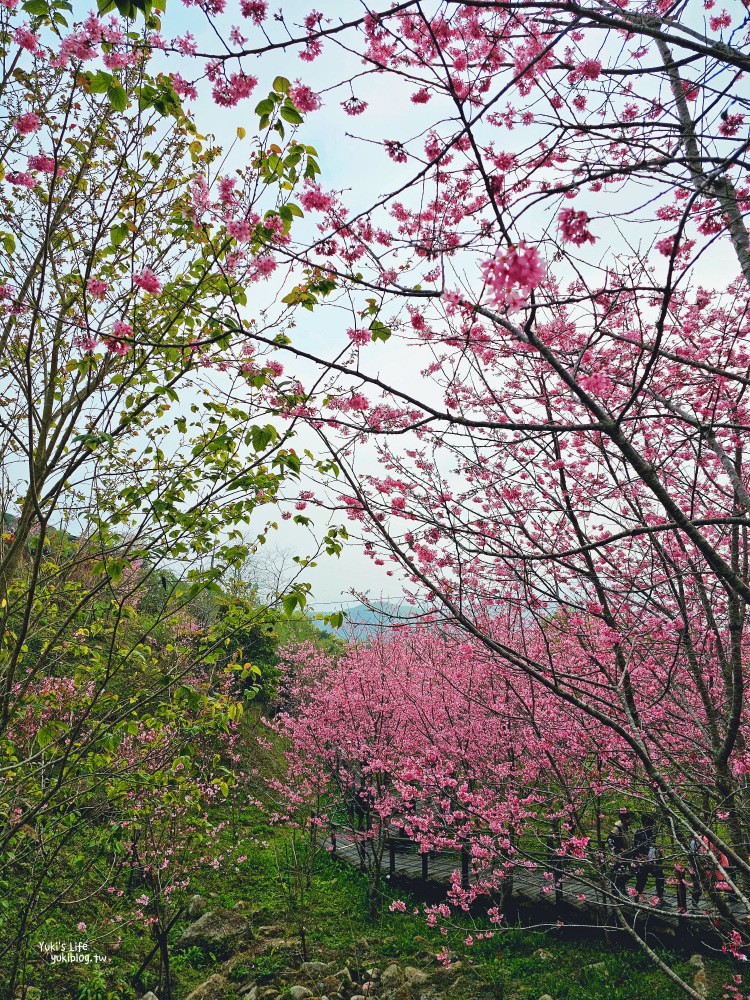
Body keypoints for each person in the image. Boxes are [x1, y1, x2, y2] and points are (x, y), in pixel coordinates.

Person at [633, 813, 665, 904]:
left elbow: (652, 844)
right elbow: (636, 848)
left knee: (660, 877)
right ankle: (636, 900)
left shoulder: (651, 832)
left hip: (652, 859)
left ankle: (660, 898)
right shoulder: (639, 833)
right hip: (643, 861)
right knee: (642, 880)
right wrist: (643, 858)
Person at [608, 807, 635, 897]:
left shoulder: (628, 827)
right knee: (619, 872)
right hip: (619, 856)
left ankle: (620, 887)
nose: (631, 821)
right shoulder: (617, 829)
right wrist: (618, 849)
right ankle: (616, 891)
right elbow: (610, 841)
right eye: (629, 819)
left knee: (631, 872)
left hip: (628, 854)